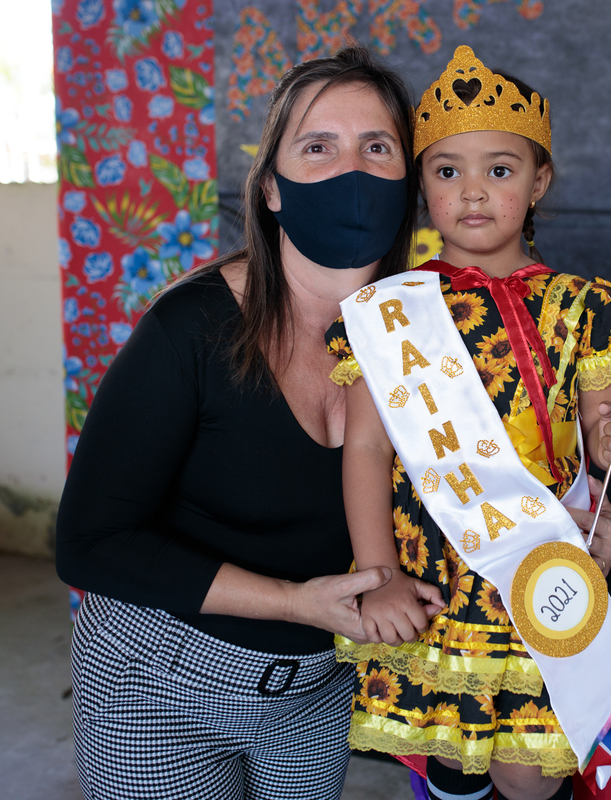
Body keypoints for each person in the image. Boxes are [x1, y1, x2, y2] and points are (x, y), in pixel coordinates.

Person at [55, 45, 442, 800]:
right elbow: (89, 543)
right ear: (270, 187)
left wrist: (575, 525)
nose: (351, 171)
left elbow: (487, 480)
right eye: (318, 147)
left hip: (319, 693)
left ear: (409, 183)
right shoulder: (190, 330)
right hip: (157, 685)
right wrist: (295, 603)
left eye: (377, 147)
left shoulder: (432, 338)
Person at [325, 46, 611, 800]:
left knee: (531, 774)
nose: (472, 191)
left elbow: (602, 437)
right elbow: (365, 447)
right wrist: (379, 577)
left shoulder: (587, 308)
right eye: (447, 171)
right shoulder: (387, 313)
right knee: (450, 750)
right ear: (422, 186)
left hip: (539, 565)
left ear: (540, 181)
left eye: (499, 170)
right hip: (434, 571)